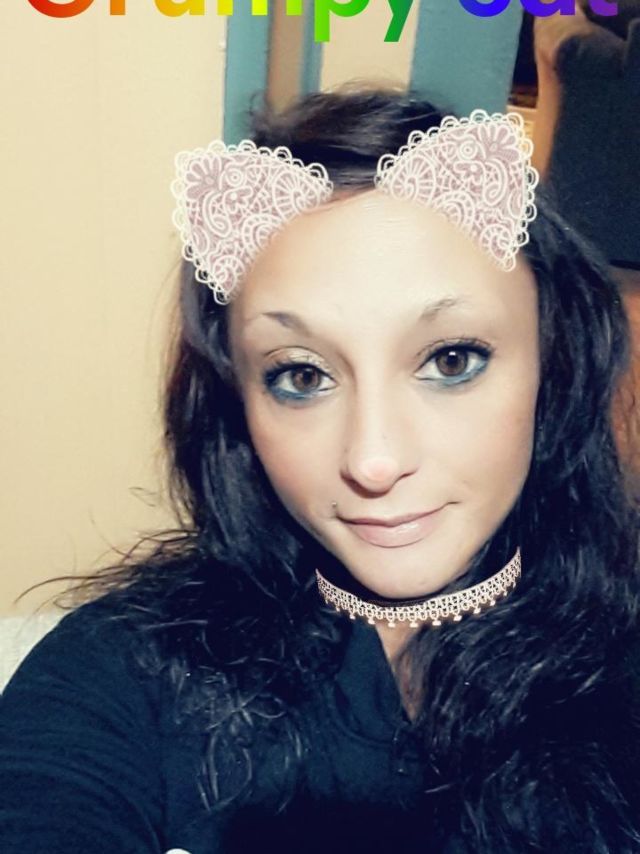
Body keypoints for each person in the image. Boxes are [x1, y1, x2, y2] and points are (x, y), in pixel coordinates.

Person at [1, 85, 640, 853]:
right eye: (301, 376)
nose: (374, 460)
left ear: (553, 360)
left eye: (451, 359)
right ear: (239, 398)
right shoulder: (122, 669)